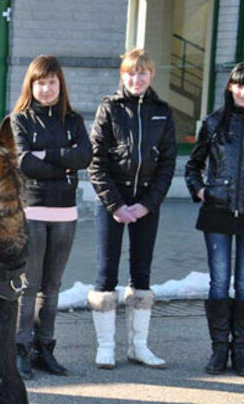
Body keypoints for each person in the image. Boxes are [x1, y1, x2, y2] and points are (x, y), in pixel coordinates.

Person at [87, 48, 177, 369]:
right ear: (121, 75)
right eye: (130, 73)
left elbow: (167, 165)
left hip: (145, 205)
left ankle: (139, 346)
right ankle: (106, 347)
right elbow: (95, 162)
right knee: (106, 273)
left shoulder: (163, 112)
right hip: (111, 202)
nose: (135, 79)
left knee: (142, 273)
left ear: (151, 75)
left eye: (142, 73)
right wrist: (116, 204)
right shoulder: (109, 109)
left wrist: (145, 205)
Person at [10, 55, 92, 379]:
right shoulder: (20, 120)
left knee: (53, 286)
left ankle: (45, 348)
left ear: (61, 84)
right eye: (40, 82)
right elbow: (25, 163)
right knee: (28, 285)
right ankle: (21, 350)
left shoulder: (73, 120)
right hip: (33, 210)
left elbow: (84, 156)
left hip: (65, 212)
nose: (47, 88)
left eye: (52, 82)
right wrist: (64, 165)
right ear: (31, 85)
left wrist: (48, 156)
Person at [185, 62, 244, 376]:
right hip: (218, 212)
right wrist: (201, 191)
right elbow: (192, 167)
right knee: (219, 282)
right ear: (231, 87)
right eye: (240, 84)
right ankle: (219, 349)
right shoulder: (213, 123)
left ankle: (241, 350)